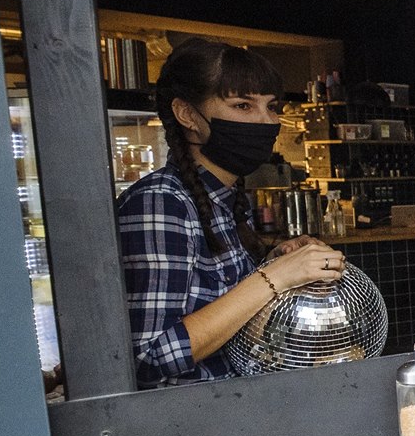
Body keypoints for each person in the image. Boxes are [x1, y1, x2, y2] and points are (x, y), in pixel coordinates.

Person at [117, 39, 343, 387]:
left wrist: (277, 262)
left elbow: (224, 309)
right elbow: (151, 356)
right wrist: (274, 277)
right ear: (187, 114)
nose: (266, 121)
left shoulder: (226, 200)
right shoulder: (161, 203)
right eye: (243, 105)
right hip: (192, 416)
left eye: (271, 107)